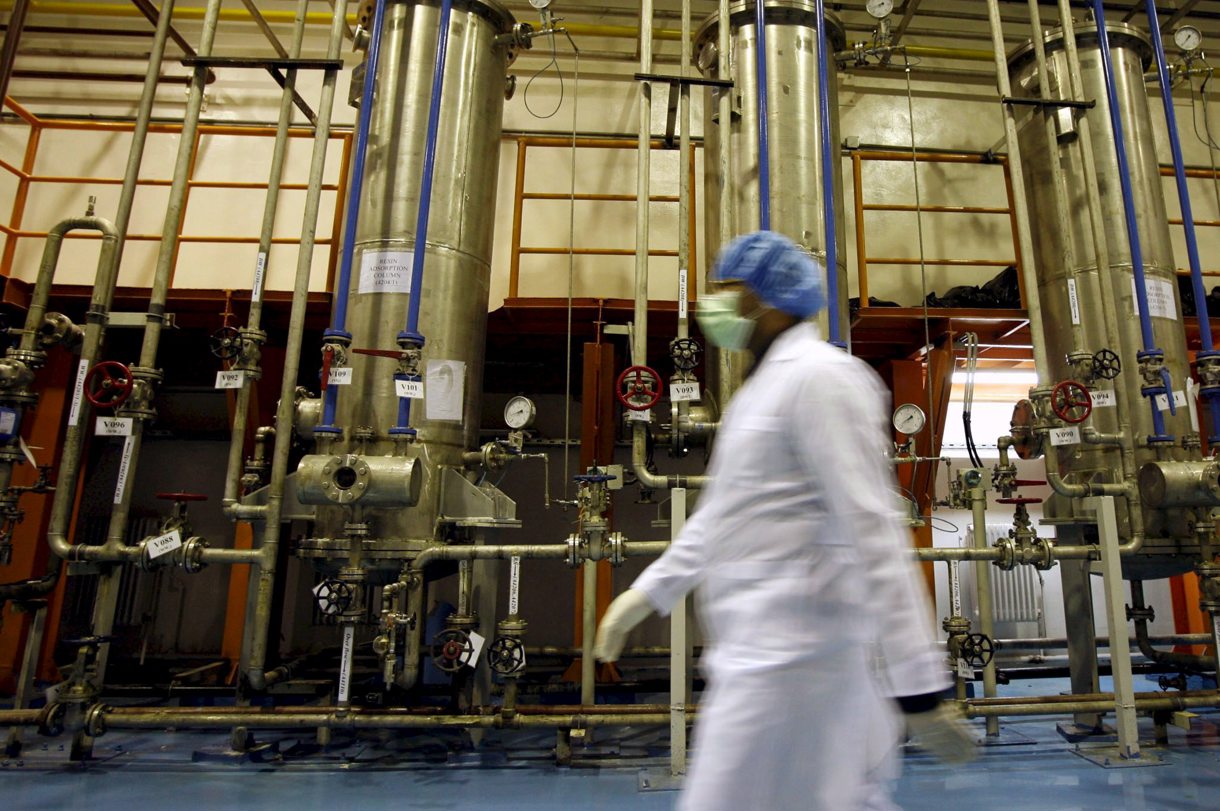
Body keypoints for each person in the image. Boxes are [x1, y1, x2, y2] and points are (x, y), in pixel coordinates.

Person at [594, 231, 975, 811]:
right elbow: (721, 519)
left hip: (803, 664)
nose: (714, 303)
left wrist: (920, 686)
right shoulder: (758, 390)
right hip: (761, 661)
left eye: (728, 289)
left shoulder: (822, 378)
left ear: (766, 299)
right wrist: (647, 593)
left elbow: (872, 530)